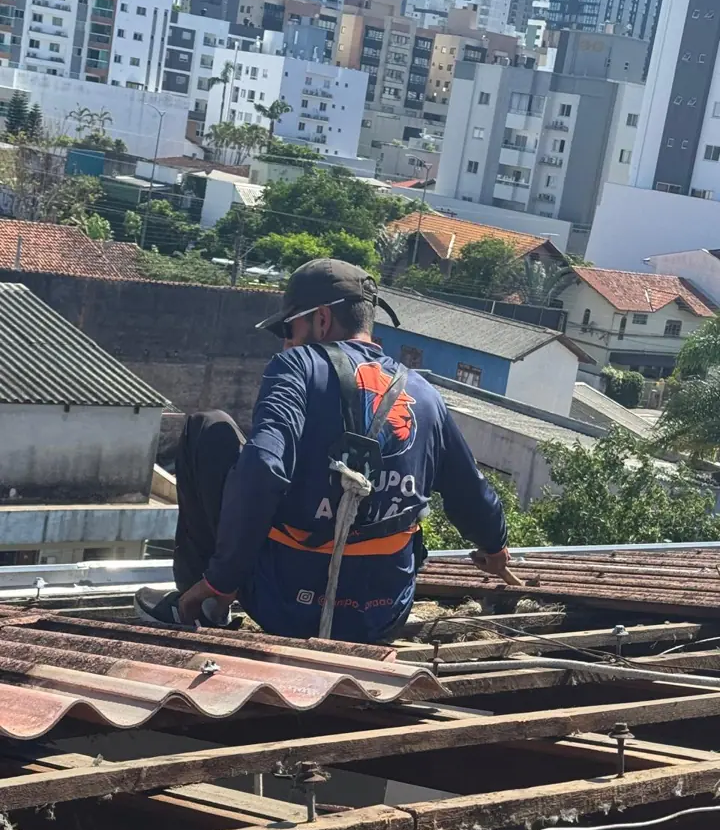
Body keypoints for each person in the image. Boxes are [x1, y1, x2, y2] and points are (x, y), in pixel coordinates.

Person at [135, 259, 511, 643]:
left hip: (287, 605)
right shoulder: (425, 393)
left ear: (322, 320)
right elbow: (471, 492)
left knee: (208, 429)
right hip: (382, 615)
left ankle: (201, 606)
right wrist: (495, 548)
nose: (285, 342)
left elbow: (263, 469)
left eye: (289, 328)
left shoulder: (296, 366)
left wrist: (223, 579)